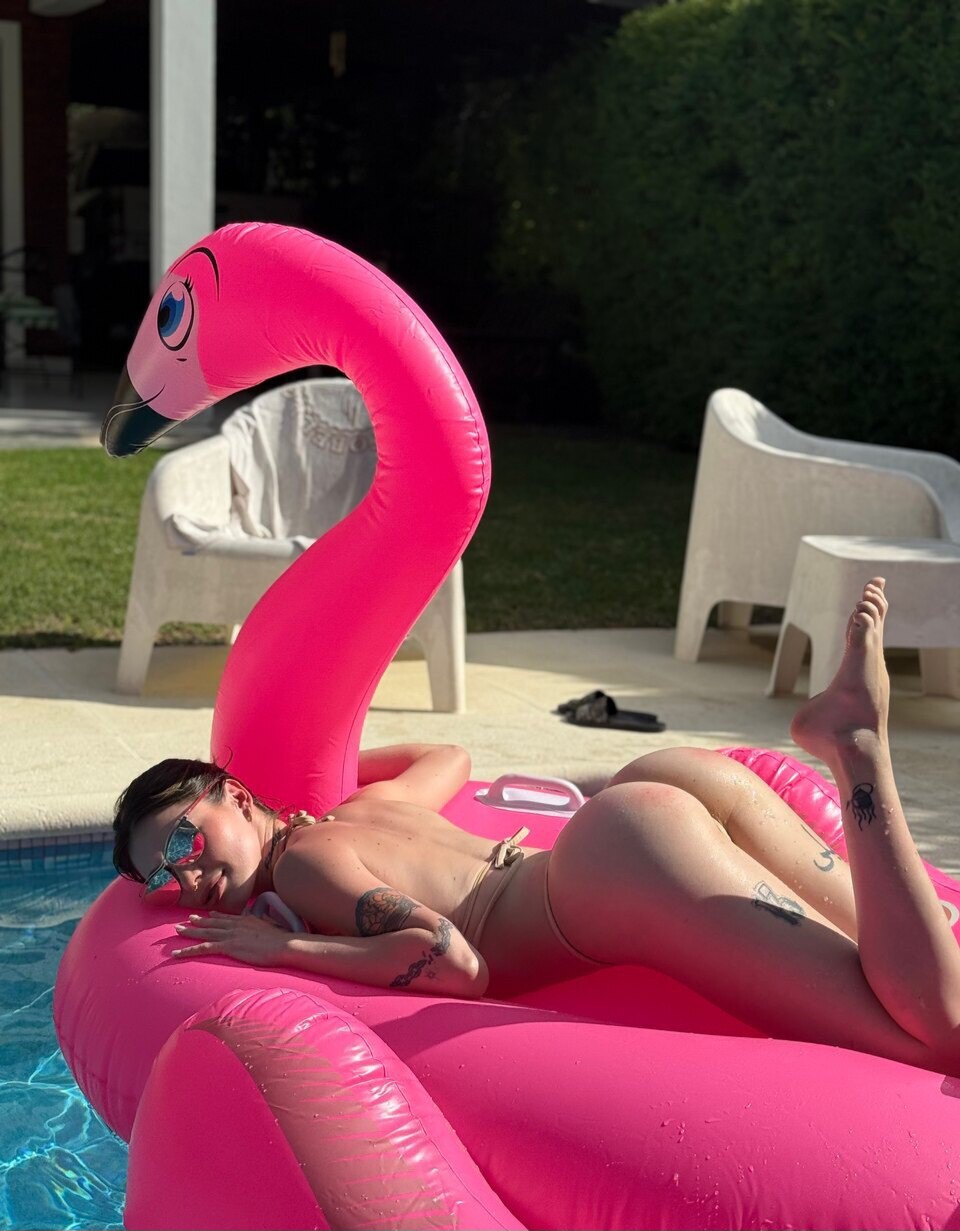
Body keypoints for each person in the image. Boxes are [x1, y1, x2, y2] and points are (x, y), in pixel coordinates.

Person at [113, 579, 960, 1076]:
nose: (182, 878)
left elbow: (456, 960)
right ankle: (850, 739)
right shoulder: (359, 813)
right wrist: (329, 776)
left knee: (933, 1038)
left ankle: (860, 749)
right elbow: (448, 755)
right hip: (656, 792)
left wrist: (283, 947)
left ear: (235, 796)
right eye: (161, 876)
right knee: (912, 975)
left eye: (184, 840)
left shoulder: (303, 867)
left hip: (612, 873)